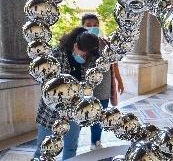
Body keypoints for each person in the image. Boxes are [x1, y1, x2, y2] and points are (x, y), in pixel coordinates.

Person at [33, 27, 100, 160]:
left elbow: (89, 82)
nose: (83, 56)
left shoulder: (89, 58)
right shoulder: (56, 54)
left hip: (74, 111)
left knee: (70, 147)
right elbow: (44, 80)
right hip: (51, 110)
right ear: (75, 44)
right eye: (82, 52)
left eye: (86, 54)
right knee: (43, 148)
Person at [81, 14, 124, 150]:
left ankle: (96, 142)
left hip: (104, 87)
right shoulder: (79, 43)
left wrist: (119, 81)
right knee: (88, 115)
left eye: (95, 25)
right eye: (89, 25)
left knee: (100, 116)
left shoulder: (105, 43)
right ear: (83, 26)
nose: (93, 27)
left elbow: (114, 64)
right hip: (87, 88)